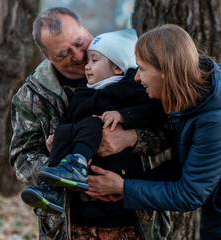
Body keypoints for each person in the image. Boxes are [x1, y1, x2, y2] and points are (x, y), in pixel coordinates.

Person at [86, 24, 221, 239]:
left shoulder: (218, 119)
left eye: (142, 68)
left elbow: (189, 194)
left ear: (166, 70)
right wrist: (126, 185)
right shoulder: (190, 105)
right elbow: (182, 167)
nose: (137, 78)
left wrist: (126, 188)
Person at [9, 7, 172, 240]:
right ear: (47, 56)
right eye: (63, 53)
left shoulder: (132, 71)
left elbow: (167, 130)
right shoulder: (32, 96)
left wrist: (130, 139)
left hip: (135, 217)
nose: (78, 56)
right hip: (68, 225)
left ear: (86, 29)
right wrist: (64, 169)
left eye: (80, 42)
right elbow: (21, 157)